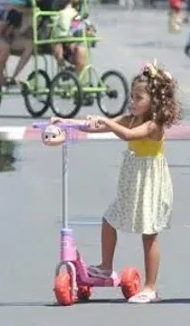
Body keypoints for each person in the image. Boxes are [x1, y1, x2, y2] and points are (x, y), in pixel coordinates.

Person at [51, 61, 180, 304]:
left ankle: (151, 287)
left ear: (154, 100)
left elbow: (127, 135)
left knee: (149, 232)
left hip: (149, 181)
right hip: (132, 181)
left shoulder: (154, 124)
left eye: (138, 97)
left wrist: (109, 122)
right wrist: (67, 122)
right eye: (131, 96)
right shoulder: (130, 118)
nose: (133, 102)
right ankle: (105, 265)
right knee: (109, 219)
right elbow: (98, 125)